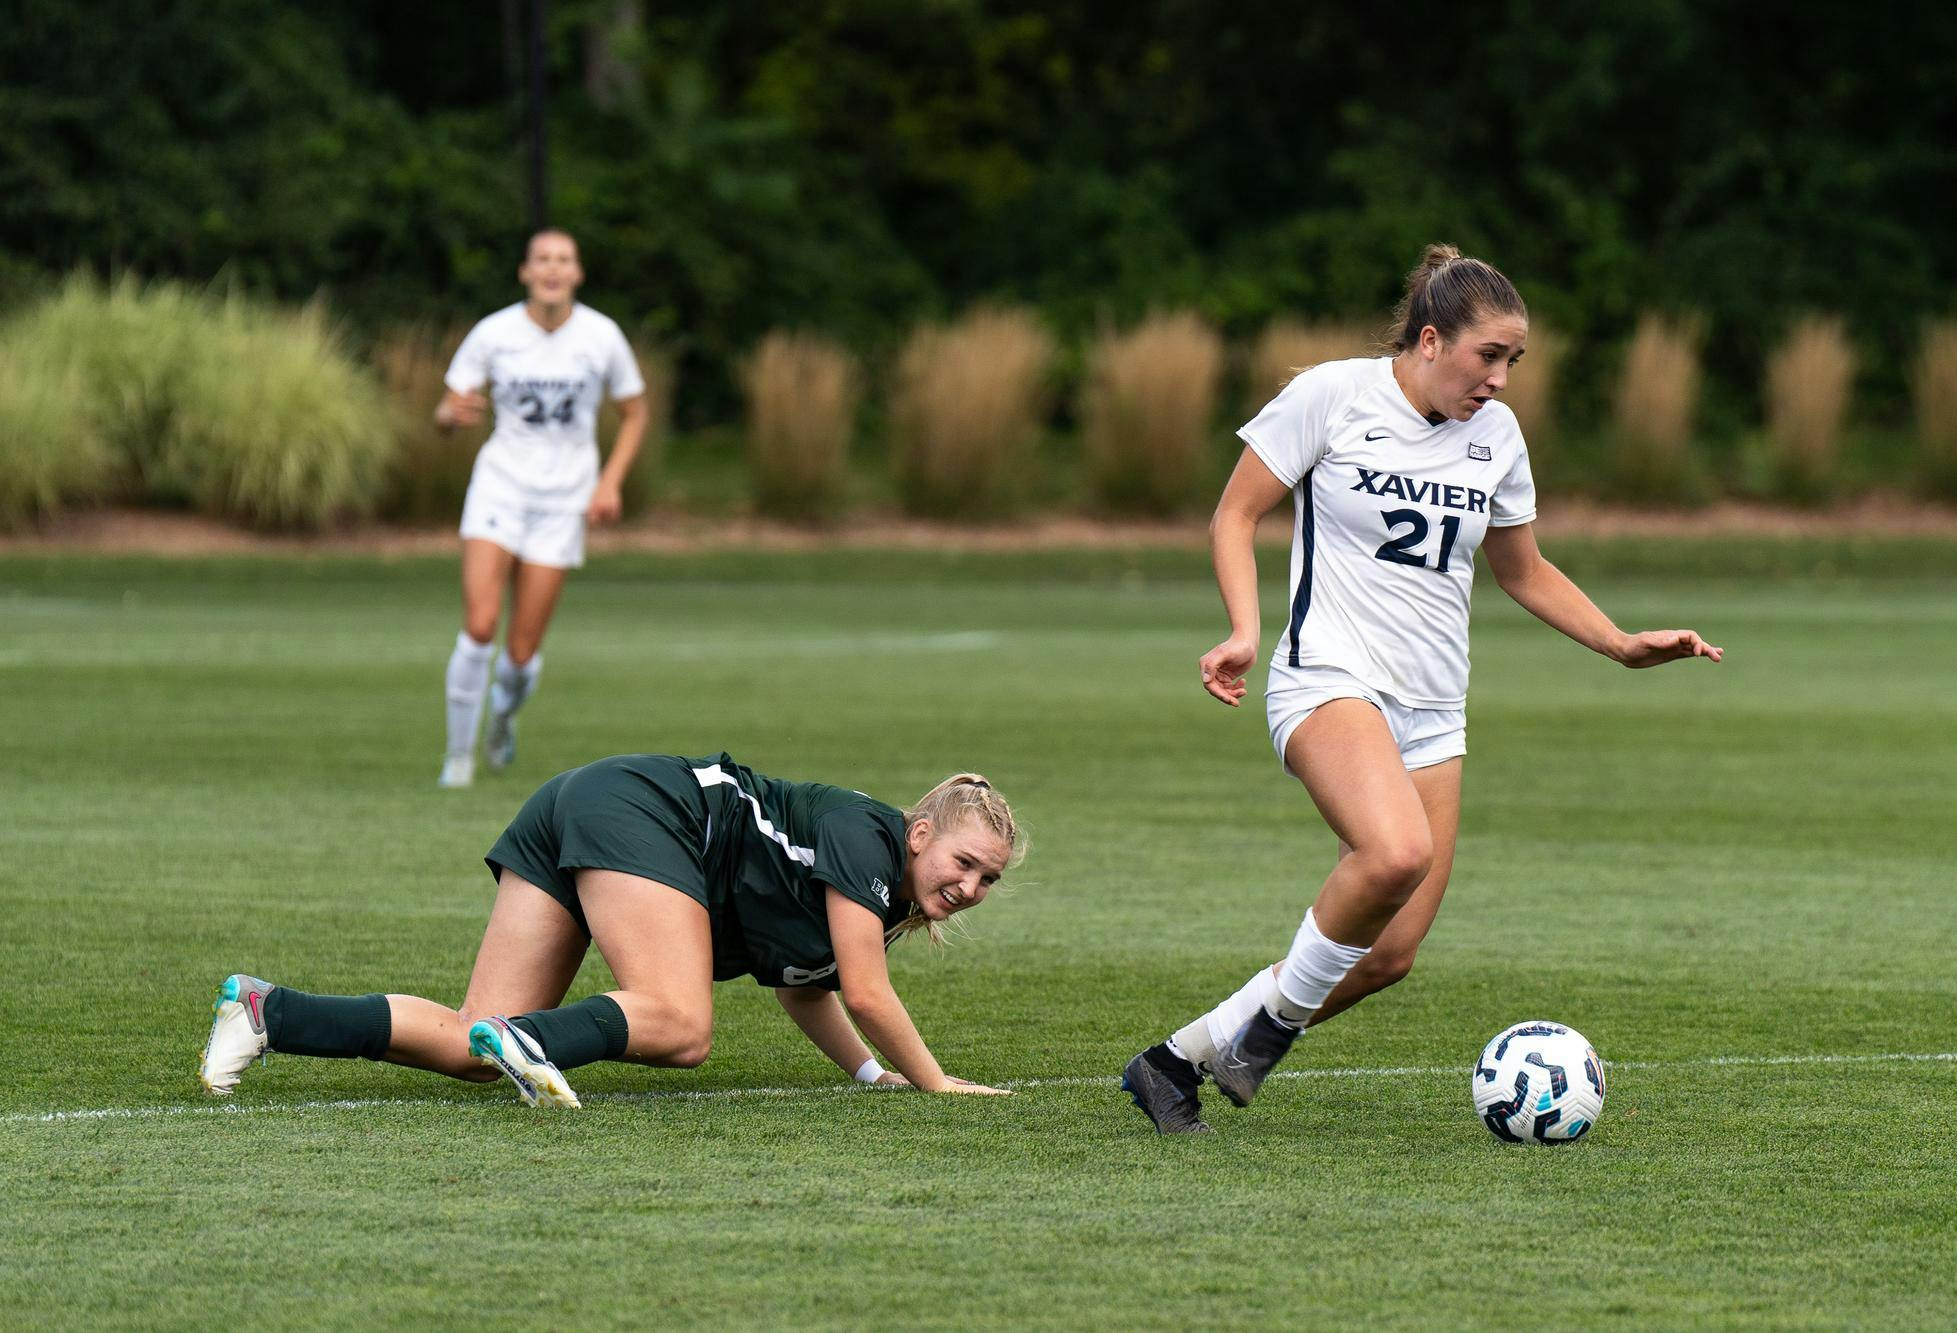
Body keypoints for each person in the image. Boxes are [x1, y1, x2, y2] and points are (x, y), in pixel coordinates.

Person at [1121, 244, 1724, 1134]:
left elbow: (1523, 569)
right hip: (1329, 677)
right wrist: (1246, 631)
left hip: (1435, 711)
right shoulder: (1333, 396)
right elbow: (1235, 512)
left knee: (1389, 951)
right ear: (1432, 339)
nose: (1502, 380)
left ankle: (1173, 1063)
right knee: (1394, 853)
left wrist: (1620, 644)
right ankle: (1274, 1030)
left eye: (1515, 361)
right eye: (1490, 356)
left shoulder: (1498, 438)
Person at [200, 754, 1023, 1105]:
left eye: (988, 876)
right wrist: (936, 1083)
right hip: (640, 811)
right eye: (965, 860)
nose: (971, 884)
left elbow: (805, 985)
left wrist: (873, 1076)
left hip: (583, 803)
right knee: (680, 1021)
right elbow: (868, 990)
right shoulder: (865, 837)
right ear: (920, 834)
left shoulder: (870, 892)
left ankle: (271, 1012)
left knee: (470, 1044)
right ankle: (534, 1043)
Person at [434, 229, 650, 789]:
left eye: (564, 260)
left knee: (521, 653)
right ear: (525, 272)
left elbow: (635, 412)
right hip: (500, 487)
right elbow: (448, 405)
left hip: (563, 500)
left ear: (577, 273)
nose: (553, 268)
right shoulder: (495, 332)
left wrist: (610, 482)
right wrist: (449, 418)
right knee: (480, 626)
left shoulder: (601, 336)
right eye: (542, 259)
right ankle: (458, 759)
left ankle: (502, 718)